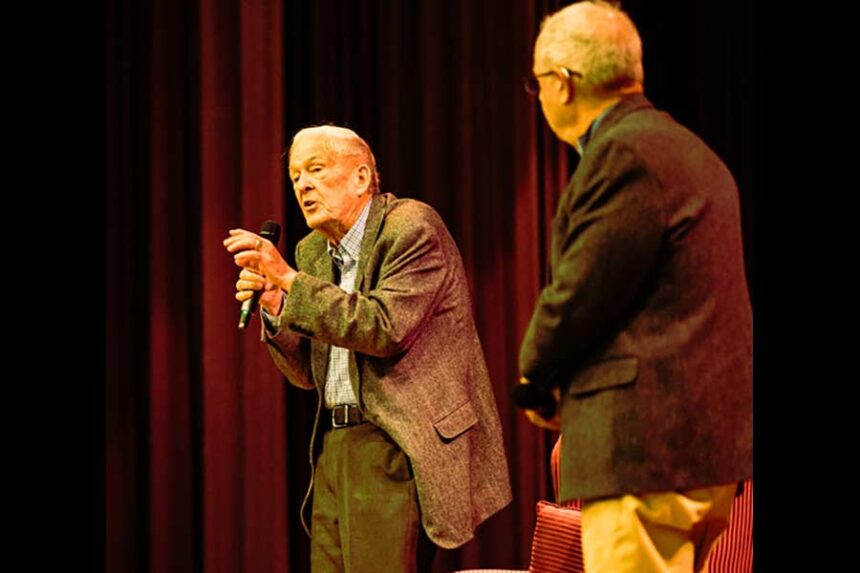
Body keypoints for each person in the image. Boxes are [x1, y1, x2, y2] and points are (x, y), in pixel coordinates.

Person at [516, 2, 752, 572]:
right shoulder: (695, 153)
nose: (540, 97)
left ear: (565, 85)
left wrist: (535, 378)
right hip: (704, 449)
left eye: (539, 84)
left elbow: (579, 291)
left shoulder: (623, 154)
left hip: (644, 450)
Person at [223, 125, 511, 573]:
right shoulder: (313, 251)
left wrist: (290, 281)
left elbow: (383, 327)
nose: (302, 185)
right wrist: (278, 305)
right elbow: (307, 373)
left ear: (361, 177)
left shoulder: (411, 227)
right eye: (296, 175)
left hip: (395, 442)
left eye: (315, 169)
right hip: (333, 445)